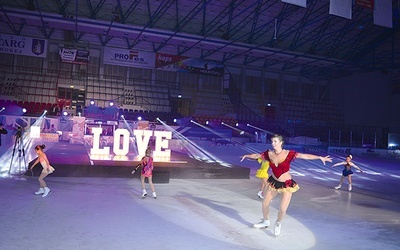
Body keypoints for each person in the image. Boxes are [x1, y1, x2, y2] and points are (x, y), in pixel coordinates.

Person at [240, 134, 332, 236]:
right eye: (272, 142)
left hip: (287, 184)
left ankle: (278, 222)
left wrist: (319, 157)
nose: (273, 143)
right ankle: (266, 221)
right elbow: (257, 156)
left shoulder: (288, 154)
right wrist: (246, 155)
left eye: (275, 141)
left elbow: (303, 156)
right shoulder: (269, 154)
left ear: (281, 143)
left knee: (283, 209)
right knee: (265, 203)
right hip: (273, 182)